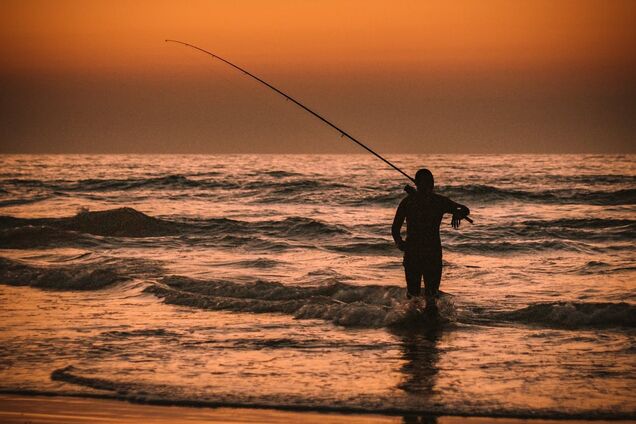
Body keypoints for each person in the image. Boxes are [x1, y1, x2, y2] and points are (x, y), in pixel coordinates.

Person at [392, 168, 470, 300]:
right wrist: (400, 243)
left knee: (421, 296)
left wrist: (457, 213)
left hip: (427, 253)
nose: (430, 185)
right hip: (419, 253)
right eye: (428, 182)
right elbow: (395, 228)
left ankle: (415, 319)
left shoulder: (432, 201)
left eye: (430, 182)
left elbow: (464, 210)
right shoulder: (420, 202)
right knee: (419, 295)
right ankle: (425, 319)